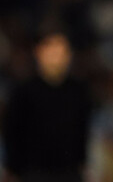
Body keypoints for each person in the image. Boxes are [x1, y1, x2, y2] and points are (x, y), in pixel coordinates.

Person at [2, 32, 93, 182]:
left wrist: (83, 163)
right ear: (39, 52)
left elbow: (82, 130)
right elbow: (13, 131)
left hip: (69, 171)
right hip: (33, 171)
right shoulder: (24, 91)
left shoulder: (78, 91)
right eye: (51, 50)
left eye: (62, 51)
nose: (57, 56)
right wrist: (12, 168)